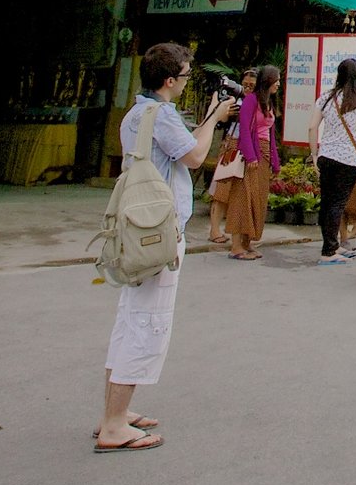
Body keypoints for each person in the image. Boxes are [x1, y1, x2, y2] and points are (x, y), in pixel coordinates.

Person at [95, 42, 234, 453]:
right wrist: (212, 119)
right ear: (170, 80)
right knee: (148, 324)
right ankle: (115, 424)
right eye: (186, 75)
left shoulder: (136, 114)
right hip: (159, 230)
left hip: (138, 228)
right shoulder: (163, 114)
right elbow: (194, 156)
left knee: (129, 322)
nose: (187, 81)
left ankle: (113, 413)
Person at [313, 59, 356, 264]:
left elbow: (312, 127)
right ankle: (329, 251)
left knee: (327, 202)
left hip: (326, 155)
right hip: (348, 159)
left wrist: (314, 154)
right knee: (338, 203)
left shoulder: (325, 97)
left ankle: (331, 244)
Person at [227, 64, 281, 261]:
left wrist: (276, 162)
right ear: (268, 80)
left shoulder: (268, 103)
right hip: (252, 156)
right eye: (277, 80)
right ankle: (235, 246)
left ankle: (247, 243)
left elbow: (271, 135)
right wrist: (250, 156)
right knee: (243, 197)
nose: (278, 84)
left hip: (265, 156)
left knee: (258, 200)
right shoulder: (251, 100)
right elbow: (244, 130)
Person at [205, 68, 258, 246]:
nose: (248, 88)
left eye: (252, 85)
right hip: (232, 145)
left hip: (248, 148)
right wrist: (230, 114)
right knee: (222, 190)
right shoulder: (234, 99)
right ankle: (214, 230)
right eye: (245, 85)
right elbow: (220, 121)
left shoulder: (259, 101)